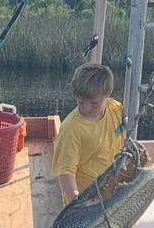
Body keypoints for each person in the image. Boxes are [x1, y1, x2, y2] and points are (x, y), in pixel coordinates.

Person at [51, 63, 128, 205]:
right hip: (86, 200)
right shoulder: (71, 129)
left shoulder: (117, 109)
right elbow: (65, 173)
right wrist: (80, 202)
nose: (86, 108)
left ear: (108, 93)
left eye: (94, 103)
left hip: (113, 192)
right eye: (81, 102)